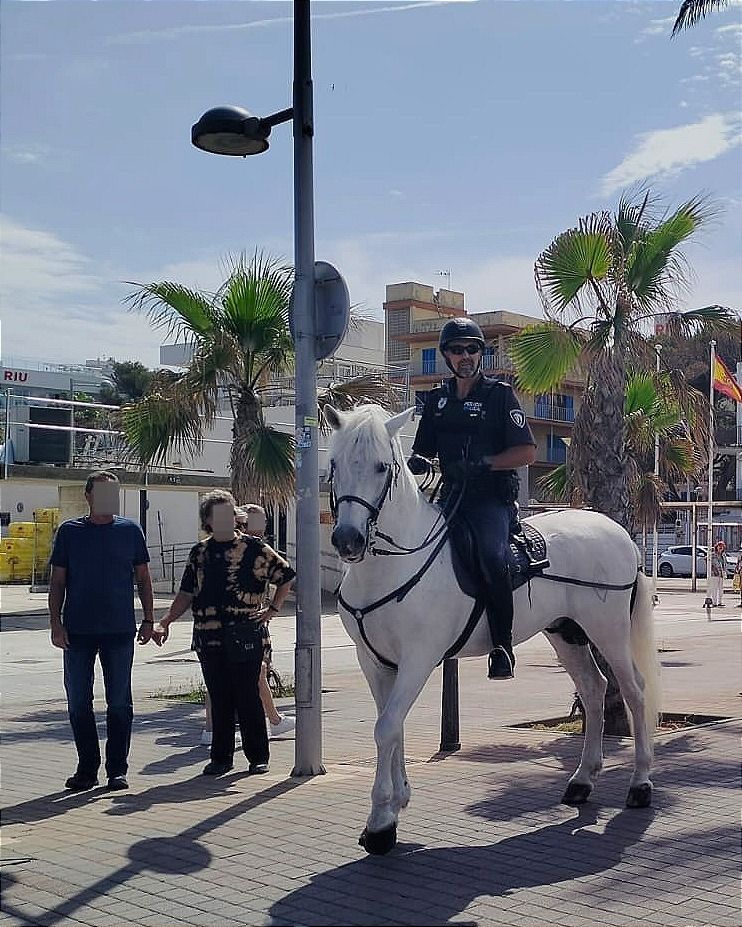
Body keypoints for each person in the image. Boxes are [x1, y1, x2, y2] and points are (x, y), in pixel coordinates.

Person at [408, 318, 537, 679]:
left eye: (472, 349)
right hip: (450, 497)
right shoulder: (436, 401)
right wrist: (411, 463)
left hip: (489, 501)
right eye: (457, 349)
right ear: (446, 355)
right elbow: (423, 452)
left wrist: (485, 463)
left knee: (492, 558)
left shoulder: (500, 396)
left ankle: (502, 646)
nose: (465, 355)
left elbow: (527, 452)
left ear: (481, 353)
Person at [153, 490, 295, 777]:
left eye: (229, 514)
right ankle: (221, 758)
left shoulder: (256, 549)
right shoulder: (199, 552)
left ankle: (258, 756)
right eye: (217, 515)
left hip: (245, 633)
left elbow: (286, 576)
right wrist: (165, 621)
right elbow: (186, 593)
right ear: (207, 520)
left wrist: (273, 609)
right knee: (219, 697)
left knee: (248, 695)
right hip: (208, 636)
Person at [49, 470, 154, 792]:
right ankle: (87, 769)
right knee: (79, 702)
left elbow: (144, 578)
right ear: (88, 496)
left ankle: (117, 770)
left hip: (119, 630)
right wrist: (55, 621)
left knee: (119, 702)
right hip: (78, 631)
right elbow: (57, 581)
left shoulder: (130, 531)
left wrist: (149, 619)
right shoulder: (70, 532)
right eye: (103, 492)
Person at [199, 504, 296, 746]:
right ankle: (269, 721)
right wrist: (272, 608)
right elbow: (286, 576)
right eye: (249, 525)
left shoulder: (216, 550)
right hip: (244, 623)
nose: (256, 531)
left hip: (235, 621)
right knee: (253, 671)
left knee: (228, 675)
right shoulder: (247, 549)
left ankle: (219, 728)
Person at [709, 539, 728, 607]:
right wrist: (713, 569)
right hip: (715, 574)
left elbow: (724, 564)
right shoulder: (713, 554)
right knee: (714, 588)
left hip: (721, 574)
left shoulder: (723, 555)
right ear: (716, 547)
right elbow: (707, 560)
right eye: (719, 546)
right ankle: (714, 603)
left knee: (720, 589)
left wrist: (724, 571)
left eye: (722, 546)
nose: (720, 547)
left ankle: (720, 602)